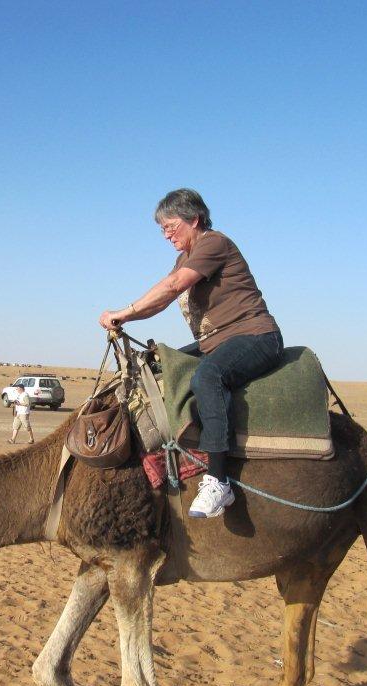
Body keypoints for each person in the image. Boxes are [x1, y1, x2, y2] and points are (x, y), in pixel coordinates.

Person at [98, 188, 283, 518]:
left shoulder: (214, 243)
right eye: (162, 230)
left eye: (170, 227)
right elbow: (163, 299)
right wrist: (126, 318)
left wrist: (124, 311)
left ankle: (218, 481)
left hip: (254, 336)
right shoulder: (184, 258)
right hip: (216, 342)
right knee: (158, 366)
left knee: (209, 376)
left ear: (194, 219)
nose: (166, 235)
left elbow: (171, 287)